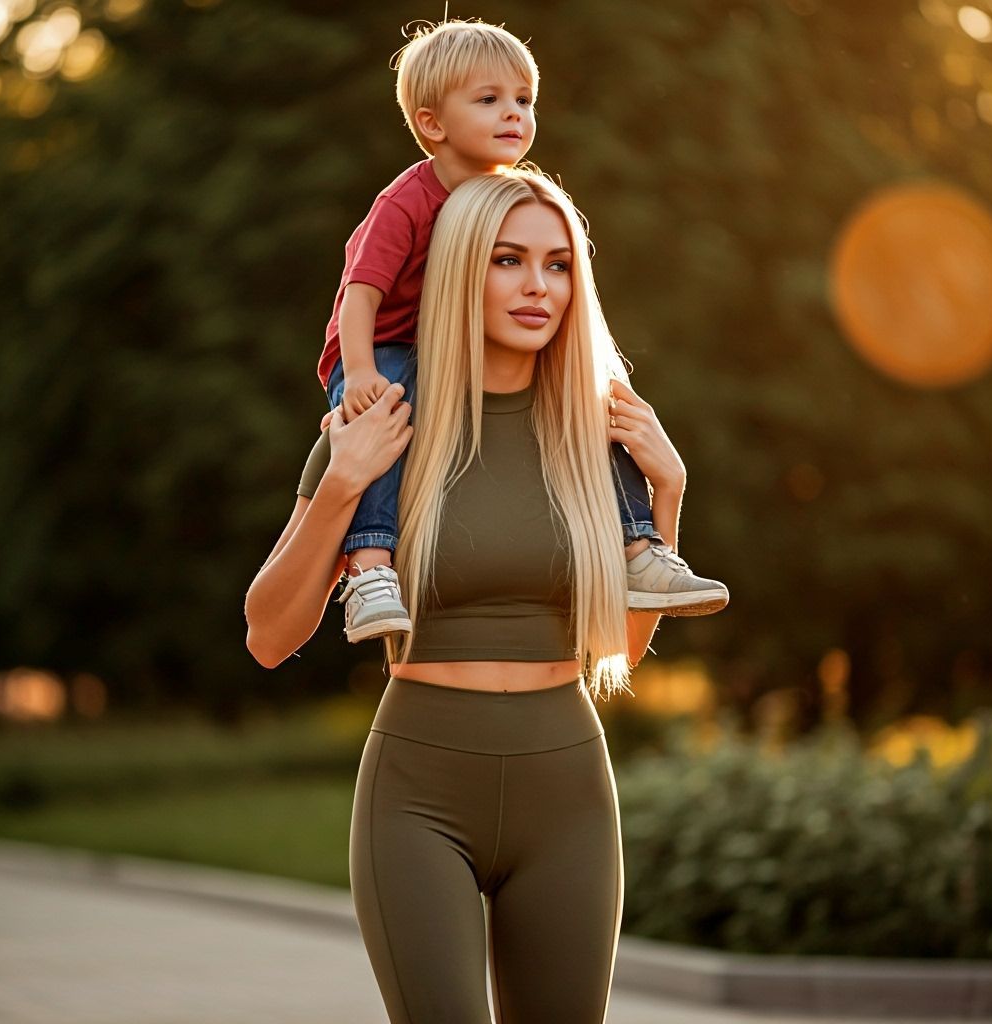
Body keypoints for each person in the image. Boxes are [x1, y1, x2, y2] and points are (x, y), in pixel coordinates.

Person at [246, 169, 695, 1023]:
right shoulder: (381, 423)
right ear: (457, 270)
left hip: (567, 793)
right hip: (417, 793)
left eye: (558, 265)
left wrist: (666, 495)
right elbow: (269, 633)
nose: (538, 286)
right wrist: (343, 487)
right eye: (508, 260)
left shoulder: (592, 435)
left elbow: (619, 651)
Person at [316, 19, 728, 645]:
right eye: (489, 100)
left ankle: (638, 547)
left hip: (435, 345)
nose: (513, 114)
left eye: (524, 100)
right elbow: (360, 294)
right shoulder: (404, 203)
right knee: (390, 421)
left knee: (599, 401)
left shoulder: (505, 198)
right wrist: (363, 375)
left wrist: (667, 487)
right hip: (379, 346)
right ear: (432, 124)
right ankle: (371, 570)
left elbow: (623, 651)